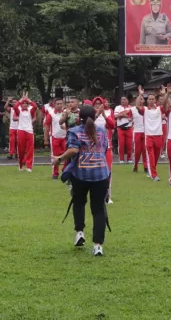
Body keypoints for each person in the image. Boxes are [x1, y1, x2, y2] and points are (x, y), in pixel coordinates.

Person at [54, 105, 110, 256]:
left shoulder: (74, 131)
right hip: (101, 174)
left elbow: (73, 150)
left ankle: (79, 232)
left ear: (79, 118)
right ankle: (98, 246)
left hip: (81, 174)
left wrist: (59, 159)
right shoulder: (102, 131)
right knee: (98, 210)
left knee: (79, 203)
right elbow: (104, 150)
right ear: (95, 116)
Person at [134, 85, 167, 181]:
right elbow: (137, 106)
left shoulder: (159, 109)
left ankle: (152, 170)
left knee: (156, 156)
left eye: (153, 99)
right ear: (147, 101)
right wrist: (140, 94)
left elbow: (165, 104)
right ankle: (154, 175)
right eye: (149, 99)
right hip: (149, 136)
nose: (151, 100)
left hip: (159, 135)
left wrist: (165, 94)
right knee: (151, 155)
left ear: (155, 101)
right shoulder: (145, 110)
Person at [93, 97, 116, 203]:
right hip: (92, 149)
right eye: (96, 104)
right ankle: (96, 194)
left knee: (107, 172)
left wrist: (104, 115)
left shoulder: (108, 112)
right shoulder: (91, 114)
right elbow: (86, 125)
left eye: (100, 103)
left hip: (106, 148)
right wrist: (97, 114)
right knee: (94, 172)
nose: (98, 105)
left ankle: (107, 195)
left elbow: (112, 125)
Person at [44, 98, 67, 180]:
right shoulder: (51, 114)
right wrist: (46, 139)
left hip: (65, 137)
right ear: (54, 104)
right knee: (55, 156)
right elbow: (46, 126)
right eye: (58, 104)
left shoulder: (66, 113)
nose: (60, 105)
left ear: (63, 104)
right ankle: (55, 173)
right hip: (55, 137)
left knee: (67, 155)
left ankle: (65, 170)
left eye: (61, 103)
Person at [13, 92, 37, 172]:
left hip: (29, 131)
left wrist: (28, 99)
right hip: (21, 131)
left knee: (30, 149)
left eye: (26, 103)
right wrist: (22, 99)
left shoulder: (30, 110)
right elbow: (15, 106)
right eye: (23, 103)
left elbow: (35, 106)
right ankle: (20, 165)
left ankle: (29, 166)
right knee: (20, 149)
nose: (24, 104)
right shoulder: (19, 110)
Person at [130, 94, 148, 175]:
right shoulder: (132, 109)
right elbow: (129, 117)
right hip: (137, 132)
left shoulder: (147, 109)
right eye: (139, 99)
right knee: (137, 151)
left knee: (145, 150)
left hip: (146, 132)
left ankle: (146, 166)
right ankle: (135, 165)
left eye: (142, 99)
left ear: (144, 101)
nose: (141, 100)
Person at [114, 96, 133, 164]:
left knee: (129, 144)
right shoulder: (117, 107)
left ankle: (129, 158)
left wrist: (121, 115)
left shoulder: (131, 108)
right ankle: (121, 159)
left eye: (124, 99)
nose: (123, 101)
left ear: (127, 100)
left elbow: (132, 117)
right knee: (121, 144)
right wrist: (125, 115)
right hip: (120, 128)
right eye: (122, 99)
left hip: (129, 127)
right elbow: (115, 116)